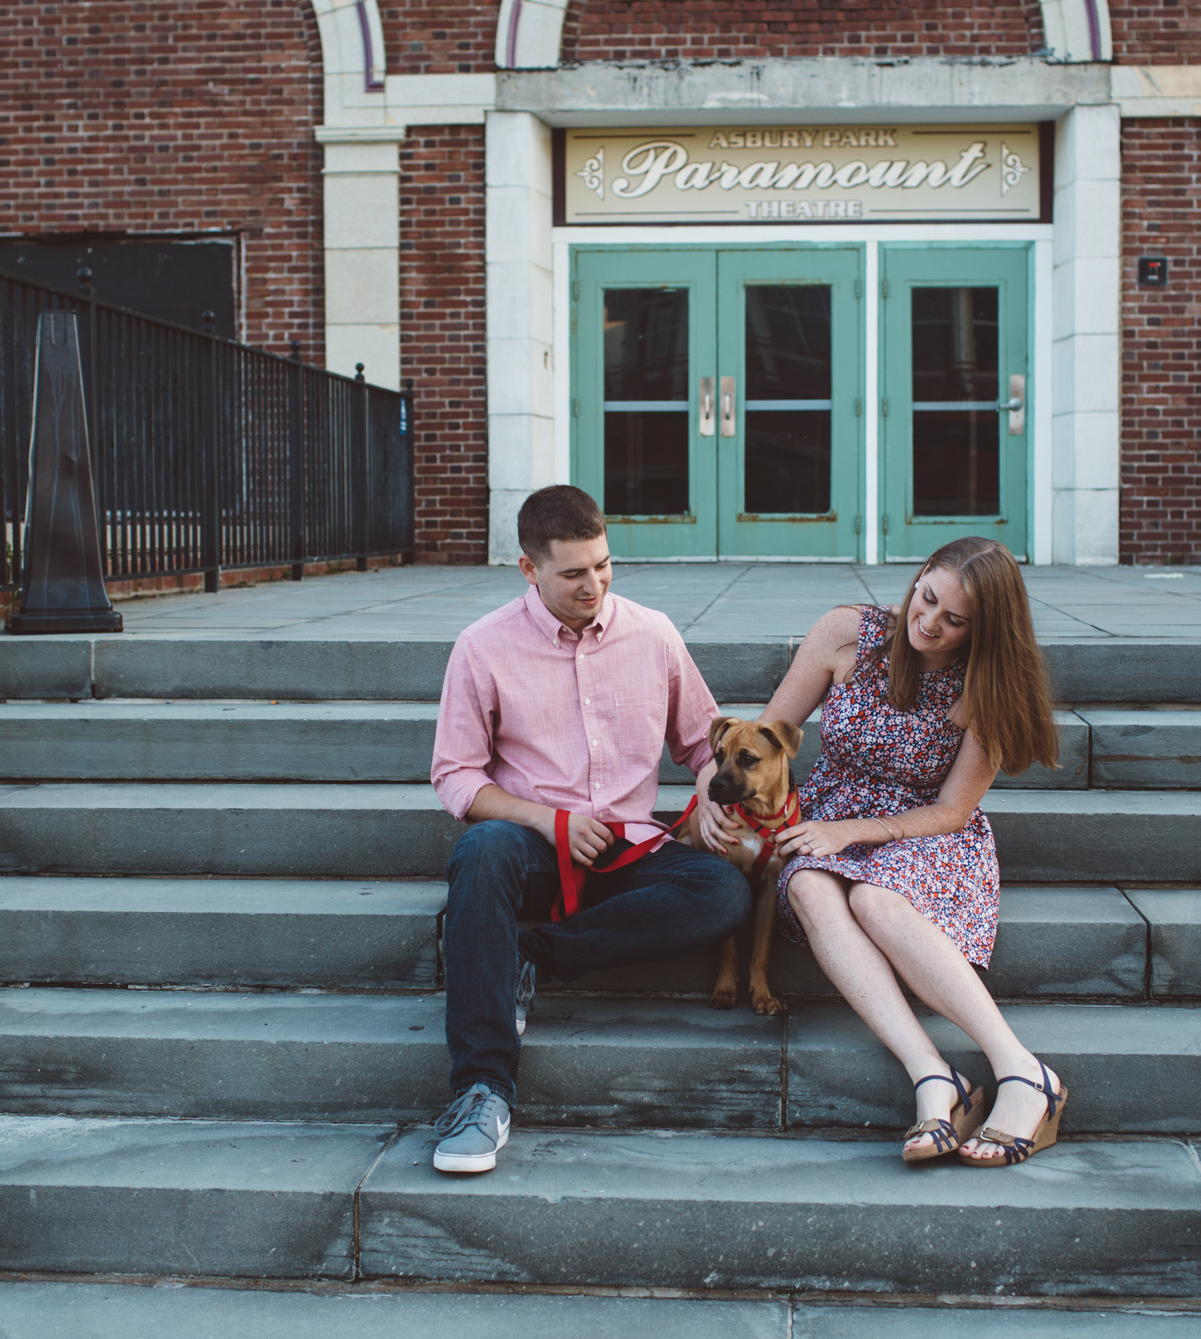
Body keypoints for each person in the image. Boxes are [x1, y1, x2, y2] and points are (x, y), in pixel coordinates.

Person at [427, 484, 745, 1174]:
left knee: (723, 891)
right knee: (480, 853)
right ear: (528, 569)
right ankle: (481, 1089)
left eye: (603, 565)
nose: (593, 584)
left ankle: (532, 958)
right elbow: (454, 775)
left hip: (631, 850)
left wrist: (713, 795)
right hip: (533, 845)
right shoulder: (481, 648)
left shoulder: (654, 632)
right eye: (573, 572)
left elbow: (703, 743)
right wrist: (549, 819)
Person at [758, 536, 1067, 1166]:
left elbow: (953, 810)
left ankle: (1023, 1073)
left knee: (875, 899)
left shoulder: (986, 681)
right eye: (927, 598)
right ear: (920, 575)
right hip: (827, 817)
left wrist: (853, 832)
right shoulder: (846, 634)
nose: (929, 623)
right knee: (807, 883)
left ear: (984, 629)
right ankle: (934, 1076)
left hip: (927, 836)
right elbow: (764, 735)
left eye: (955, 621)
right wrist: (712, 802)